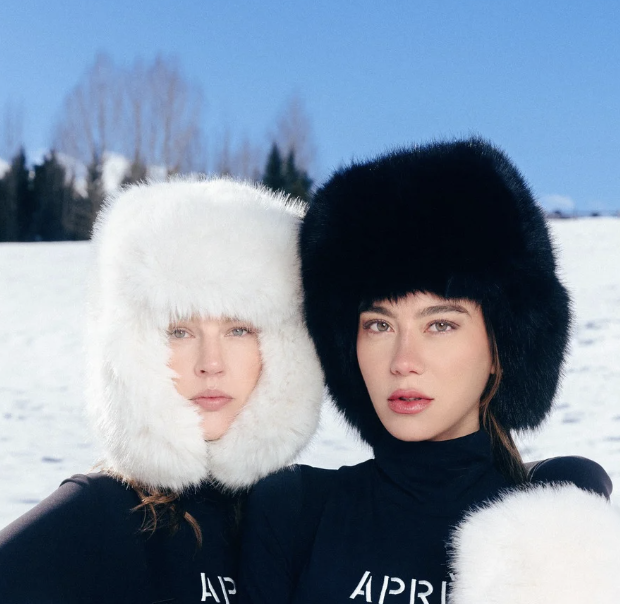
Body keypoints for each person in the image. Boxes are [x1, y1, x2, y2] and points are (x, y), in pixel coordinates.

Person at [238, 139, 618, 603]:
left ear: (500, 348)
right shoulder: (294, 510)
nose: (403, 361)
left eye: (440, 324)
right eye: (379, 325)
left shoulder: (553, 529)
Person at [0, 177, 324, 603]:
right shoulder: (98, 513)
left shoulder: (312, 518)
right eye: (180, 331)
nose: (211, 362)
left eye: (239, 329)